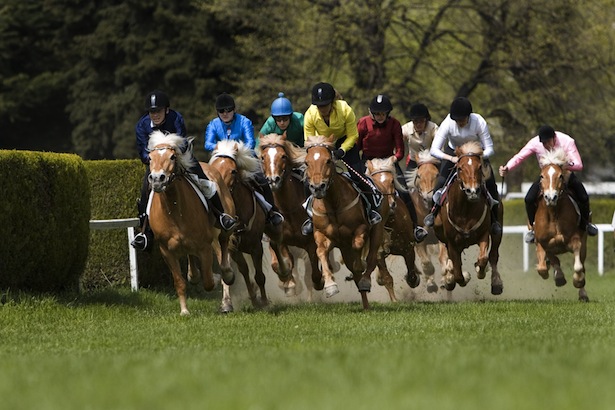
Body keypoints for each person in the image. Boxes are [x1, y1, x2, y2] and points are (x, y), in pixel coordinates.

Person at [132, 90, 238, 251]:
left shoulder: (176, 118)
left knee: (205, 182)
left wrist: (170, 154)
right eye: (152, 112)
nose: (155, 115)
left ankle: (221, 216)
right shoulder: (142, 126)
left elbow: (182, 144)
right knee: (145, 192)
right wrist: (156, 158)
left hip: (181, 159)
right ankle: (145, 233)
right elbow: (143, 154)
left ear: (166, 110)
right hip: (157, 164)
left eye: (158, 111)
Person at [301, 82, 382, 235]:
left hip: (345, 143)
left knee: (357, 175)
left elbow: (353, 135)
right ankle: (309, 217)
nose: (322, 109)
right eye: (319, 106)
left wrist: (341, 151)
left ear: (332, 102)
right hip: (321, 143)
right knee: (308, 181)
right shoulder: (310, 114)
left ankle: (371, 210)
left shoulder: (345, 109)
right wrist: (323, 149)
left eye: (325, 105)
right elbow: (309, 141)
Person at [499, 125, 598, 243]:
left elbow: (579, 164)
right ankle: (532, 228)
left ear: (554, 138)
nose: (546, 145)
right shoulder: (535, 143)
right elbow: (520, 157)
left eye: (548, 141)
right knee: (529, 199)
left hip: (564, 175)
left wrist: (564, 164)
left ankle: (585, 224)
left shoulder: (567, 141)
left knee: (583, 196)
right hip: (546, 177)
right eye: (543, 143)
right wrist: (507, 168)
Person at [424, 96, 502, 235]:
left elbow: (490, 148)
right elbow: (434, 150)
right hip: (454, 153)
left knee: (491, 185)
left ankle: (494, 220)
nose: (459, 123)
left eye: (462, 120)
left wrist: (476, 157)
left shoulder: (479, 121)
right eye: (457, 120)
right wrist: (452, 158)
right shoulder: (448, 123)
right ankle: (433, 213)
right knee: (440, 183)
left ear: (469, 116)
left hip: (476, 155)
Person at [204, 93, 284, 226]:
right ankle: (208, 214)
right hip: (221, 159)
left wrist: (237, 151)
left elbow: (250, 144)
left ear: (234, 110)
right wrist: (220, 146)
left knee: (261, 179)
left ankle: (272, 212)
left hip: (243, 159)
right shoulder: (213, 124)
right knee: (206, 182)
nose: (225, 113)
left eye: (228, 110)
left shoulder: (244, 121)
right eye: (221, 111)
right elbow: (208, 144)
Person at [357, 94, 428, 242]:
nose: (380, 116)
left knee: (404, 191)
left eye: (383, 113)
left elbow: (400, 150)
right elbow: (357, 146)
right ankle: (358, 227)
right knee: (357, 190)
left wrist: (393, 160)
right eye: (377, 113)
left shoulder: (394, 124)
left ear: (387, 113)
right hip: (368, 163)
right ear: (372, 113)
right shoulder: (363, 123)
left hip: (389, 161)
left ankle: (415, 227)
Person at [401, 103, 439, 189]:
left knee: (441, 181)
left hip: (432, 161)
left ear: (426, 120)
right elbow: (396, 142)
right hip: (414, 161)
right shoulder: (406, 128)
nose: (418, 124)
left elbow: (439, 146)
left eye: (421, 121)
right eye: (415, 121)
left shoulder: (433, 128)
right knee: (406, 186)